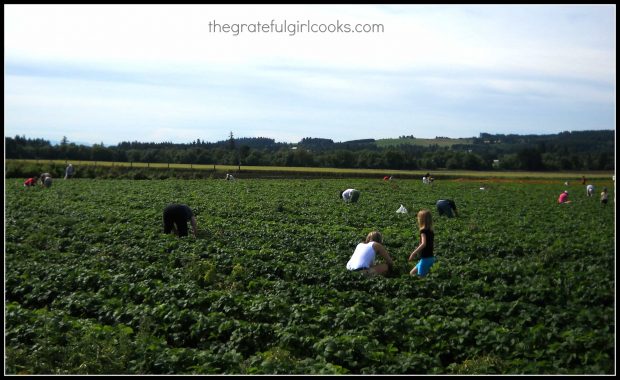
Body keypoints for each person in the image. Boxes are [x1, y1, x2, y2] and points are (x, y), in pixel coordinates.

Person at [409, 209, 436, 277]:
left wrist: (413, 253)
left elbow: (424, 244)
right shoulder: (431, 231)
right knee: (412, 273)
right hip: (430, 258)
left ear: (421, 220)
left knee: (420, 278)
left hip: (425, 259)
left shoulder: (423, 231)